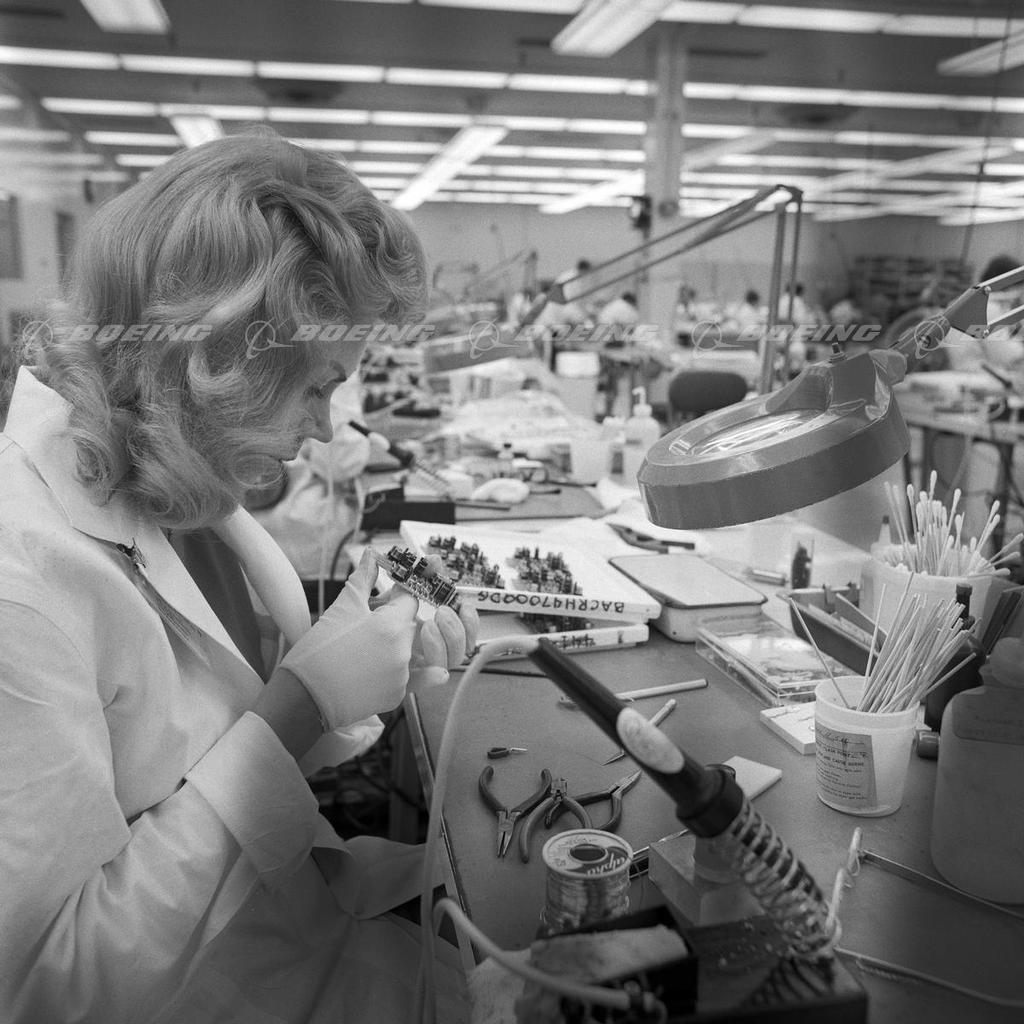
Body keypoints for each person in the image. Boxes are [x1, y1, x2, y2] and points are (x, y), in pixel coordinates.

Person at [0, 131, 478, 1024]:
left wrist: (353, 657)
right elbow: (48, 988)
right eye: (316, 388)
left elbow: (209, 744)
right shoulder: (21, 586)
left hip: (289, 916)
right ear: (221, 363)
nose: (329, 428)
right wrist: (298, 705)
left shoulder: (167, 474)